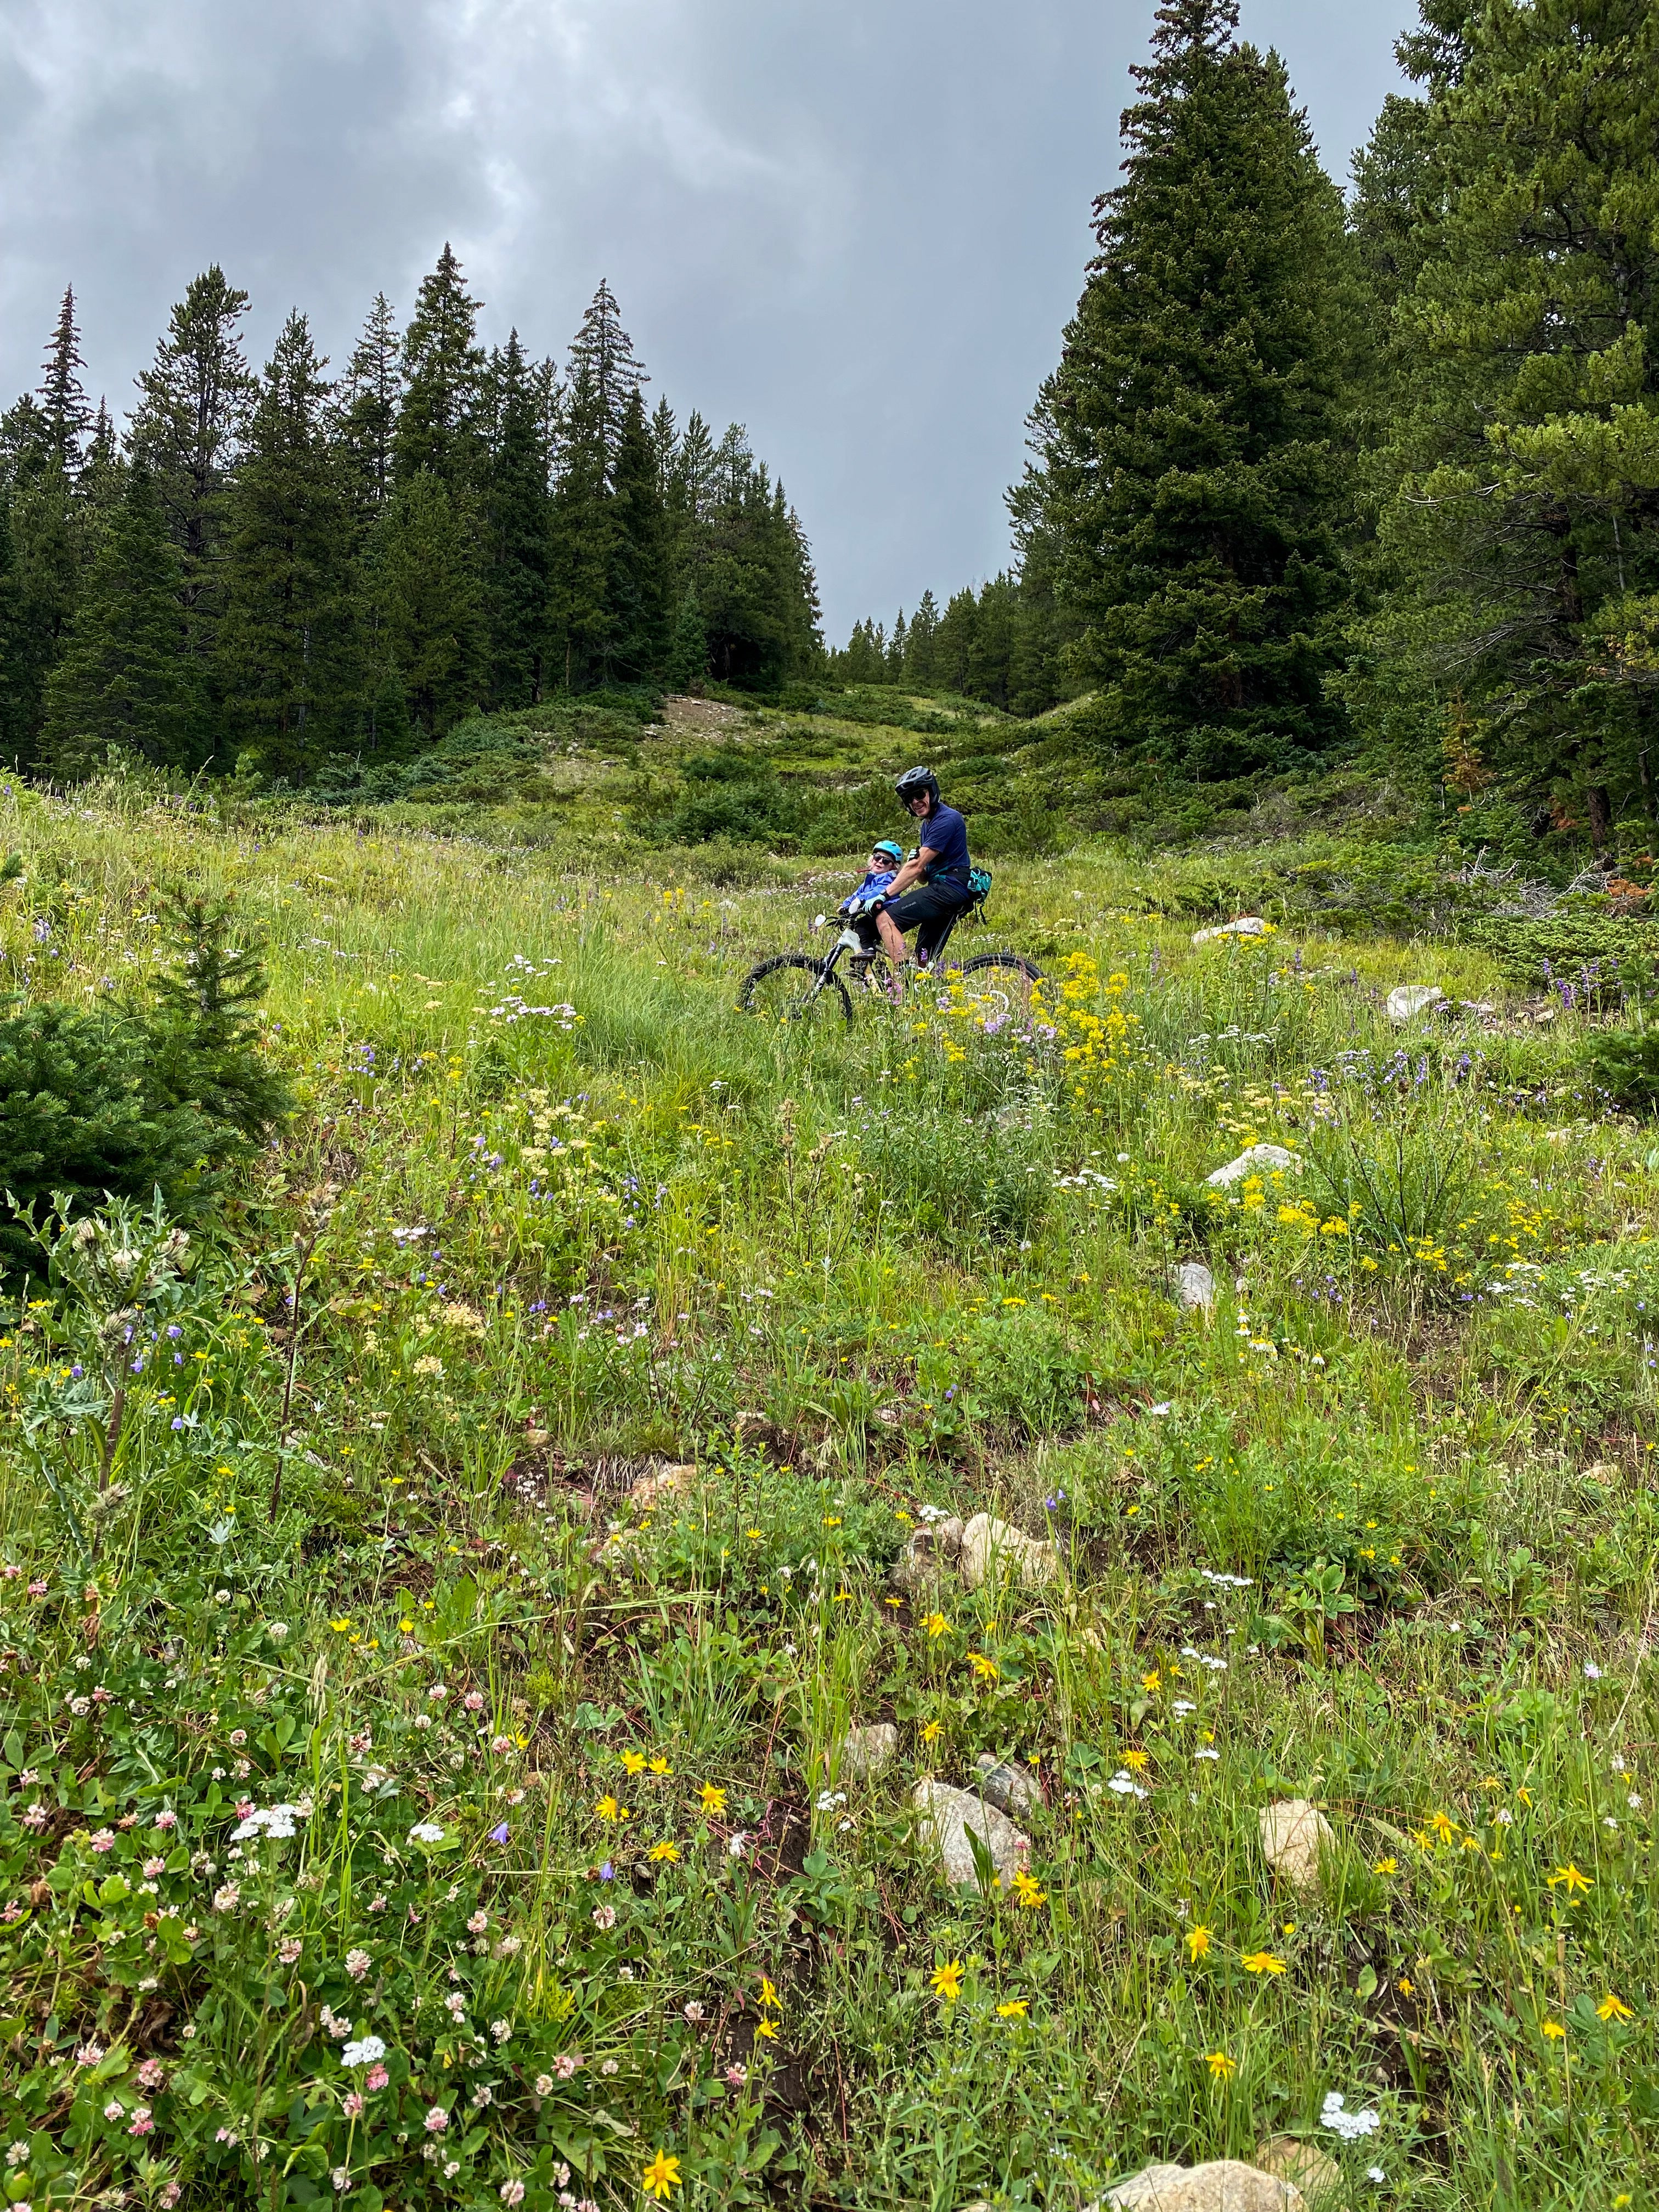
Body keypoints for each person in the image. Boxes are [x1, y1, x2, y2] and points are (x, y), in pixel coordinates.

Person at [874, 766, 974, 972]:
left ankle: (905, 979)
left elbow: (917, 866)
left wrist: (883, 895)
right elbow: (923, 875)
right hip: (944, 888)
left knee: (885, 919)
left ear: (932, 791)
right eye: (910, 799)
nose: (916, 802)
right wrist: (916, 867)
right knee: (924, 960)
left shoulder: (947, 819)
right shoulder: (927, 826)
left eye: (920, 795)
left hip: (949, 888)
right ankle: (922, 990)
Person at [839, 839, 905, 920]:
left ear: (893, 867)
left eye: (886, 861)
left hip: (888, 912)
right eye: (877, 857)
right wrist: (845, 905)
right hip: (872, 912)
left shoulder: (888, 878)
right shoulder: (871, 878)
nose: (880, 862)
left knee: (862, 927)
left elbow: (878, 890)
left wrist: (861, 898)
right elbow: (858, 893)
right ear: (872, 859)